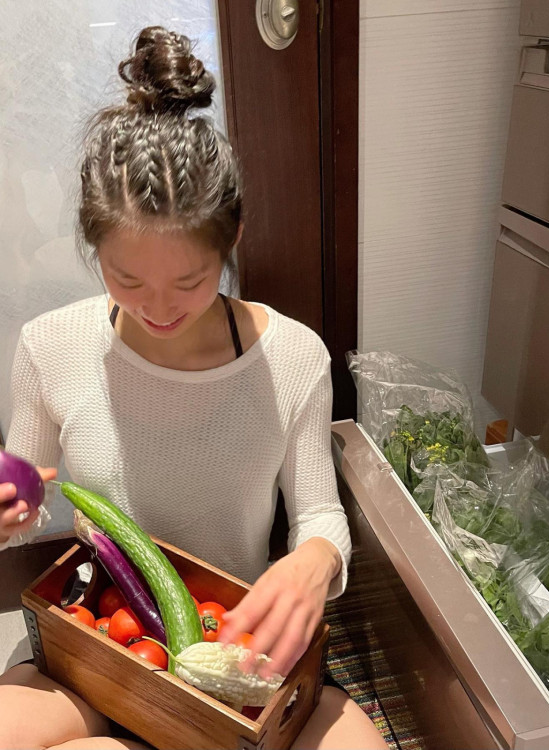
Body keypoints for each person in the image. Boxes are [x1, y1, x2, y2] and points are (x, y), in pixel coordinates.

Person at [0, 27, 388, 750]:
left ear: (232, 238)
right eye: (126, 278)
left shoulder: (293, 357)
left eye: (189, 280)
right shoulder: (50, 346)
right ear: (93, 246)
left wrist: (317, 561)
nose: (158, 307)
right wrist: (7, 507)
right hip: (98, 638)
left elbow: (317, 513)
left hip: (233, 648)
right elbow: (24, 496)